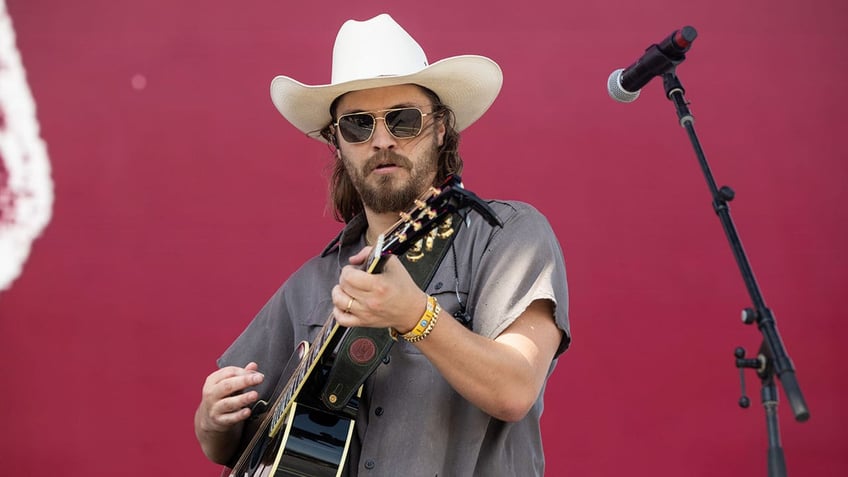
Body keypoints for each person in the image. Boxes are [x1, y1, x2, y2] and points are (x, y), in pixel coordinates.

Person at [194, 13, 570, 476]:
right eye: (357, 125)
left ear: (438, 128)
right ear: (336, 142)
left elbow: (514, 391)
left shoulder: (506, 236)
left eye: (403, 119)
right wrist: (212, 421)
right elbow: (227, 443)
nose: (381, 140)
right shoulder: (309, 284)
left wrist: (416, 316)